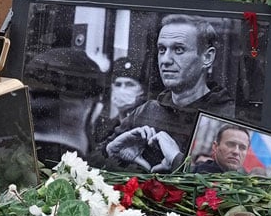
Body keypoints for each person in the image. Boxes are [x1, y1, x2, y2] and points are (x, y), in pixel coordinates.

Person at [101, 14, 235, 172]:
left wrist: (177, 161)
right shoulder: (146, 111)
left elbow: (234, 185)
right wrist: (110, 151)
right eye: (162, 49)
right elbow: (88, 165)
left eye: (178, 49)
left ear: (207, 57)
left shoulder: (229, 117)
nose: (165, 60)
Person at [91, 57, 147, 145]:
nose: (122, 90)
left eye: (129, 84)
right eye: (118, 84)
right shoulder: (104, 128)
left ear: (142, 90)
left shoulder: (145, 129)